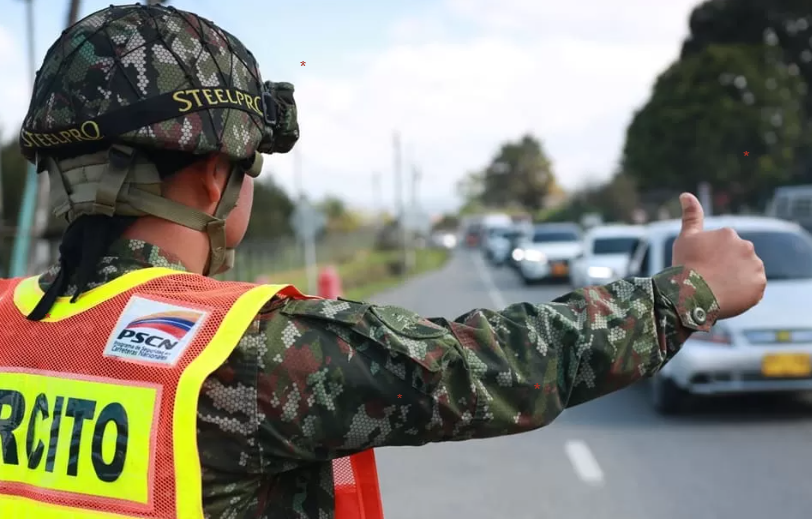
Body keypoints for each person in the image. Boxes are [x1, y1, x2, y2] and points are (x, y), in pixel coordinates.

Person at [0, 4, 766, 519]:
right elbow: (500, 366)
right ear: (213, 176)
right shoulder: (242, 355)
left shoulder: (9, 324)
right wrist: (687, 291)